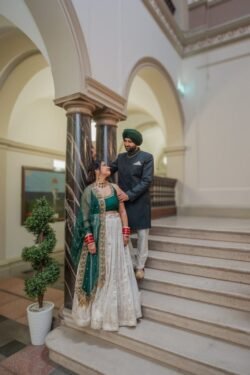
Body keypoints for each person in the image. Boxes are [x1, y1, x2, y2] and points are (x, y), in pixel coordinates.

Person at [71, 160, 142, 331]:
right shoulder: (89, 191)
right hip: (98, 235)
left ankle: (120, 314)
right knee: (103, 270)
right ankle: (100, 315)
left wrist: (126, 232)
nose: (108, 167)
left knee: (118, 268)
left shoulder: (115, 188)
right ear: (96, 170)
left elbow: (122, 211)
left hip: (116, 232)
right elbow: (85, 217)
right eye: (104, 165)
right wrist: (90, 241)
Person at [110, 129, 154, 280]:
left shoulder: (146, 157)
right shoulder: (121, 157)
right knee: (125, 232)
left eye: (130, 141)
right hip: (124, 204)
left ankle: (140, 266)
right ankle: (132, 262)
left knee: (142, 235)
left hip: (140, 201)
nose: (127, 144)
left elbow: (146, 181)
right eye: (125, 140)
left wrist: (129, 195)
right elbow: (109, 169)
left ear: (137, 142)